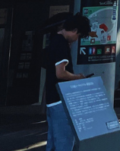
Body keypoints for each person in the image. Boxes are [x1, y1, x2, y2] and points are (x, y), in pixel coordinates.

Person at [41, 12, 90, 151]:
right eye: (78, 35)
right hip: (60, 99)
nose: (76, 39)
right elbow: (61, 73)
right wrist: (78, 77)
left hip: (51, 99)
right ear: (74, 30)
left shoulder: (54, 40)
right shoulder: (62, 44)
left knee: (53, 141)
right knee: (64, 140)